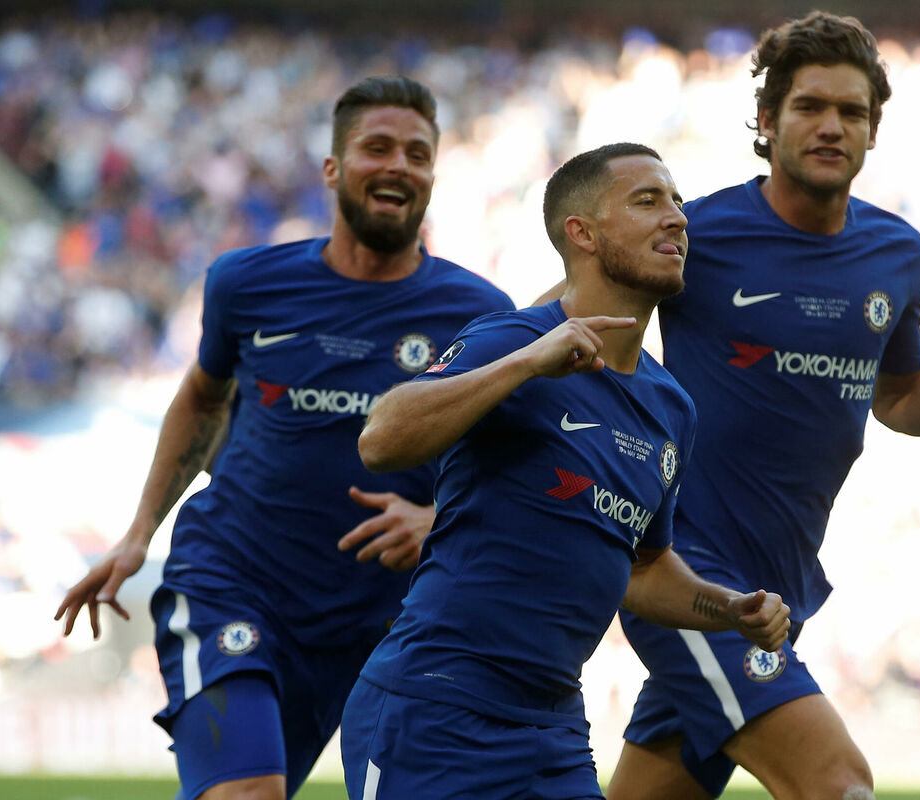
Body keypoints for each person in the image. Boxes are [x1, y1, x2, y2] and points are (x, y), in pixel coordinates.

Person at [539, 13, 920, 800]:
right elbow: (557, 324)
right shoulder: (696, 234)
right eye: (810, 106)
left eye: (851, 111)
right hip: (686, 574)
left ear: (873, 131)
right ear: (767, 121)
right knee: (838, 783)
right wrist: (459, 405)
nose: (832, 125)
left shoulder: (897, 253)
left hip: (776, 592)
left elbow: (899, 391)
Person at [54, 76, 514, 800]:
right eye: (378, 147)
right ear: (333, 167)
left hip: (371, 620)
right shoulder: (245, 283)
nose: (399, 165)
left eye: (418, 154)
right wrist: (140, 532)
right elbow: (202, 397)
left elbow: (508, 464)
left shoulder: (481, 314)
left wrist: (436, 519)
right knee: (249, 793)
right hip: (234, 582)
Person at [339, 143, 792, 800]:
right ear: (582, 233)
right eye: (647, 201)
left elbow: (643, 569)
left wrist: (730, 610)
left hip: (552, 731)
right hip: (436, 710)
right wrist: (526, 364)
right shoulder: (514, 340)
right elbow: (381, 438)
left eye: (676, 202)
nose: (676, 217)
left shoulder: (672, 407)